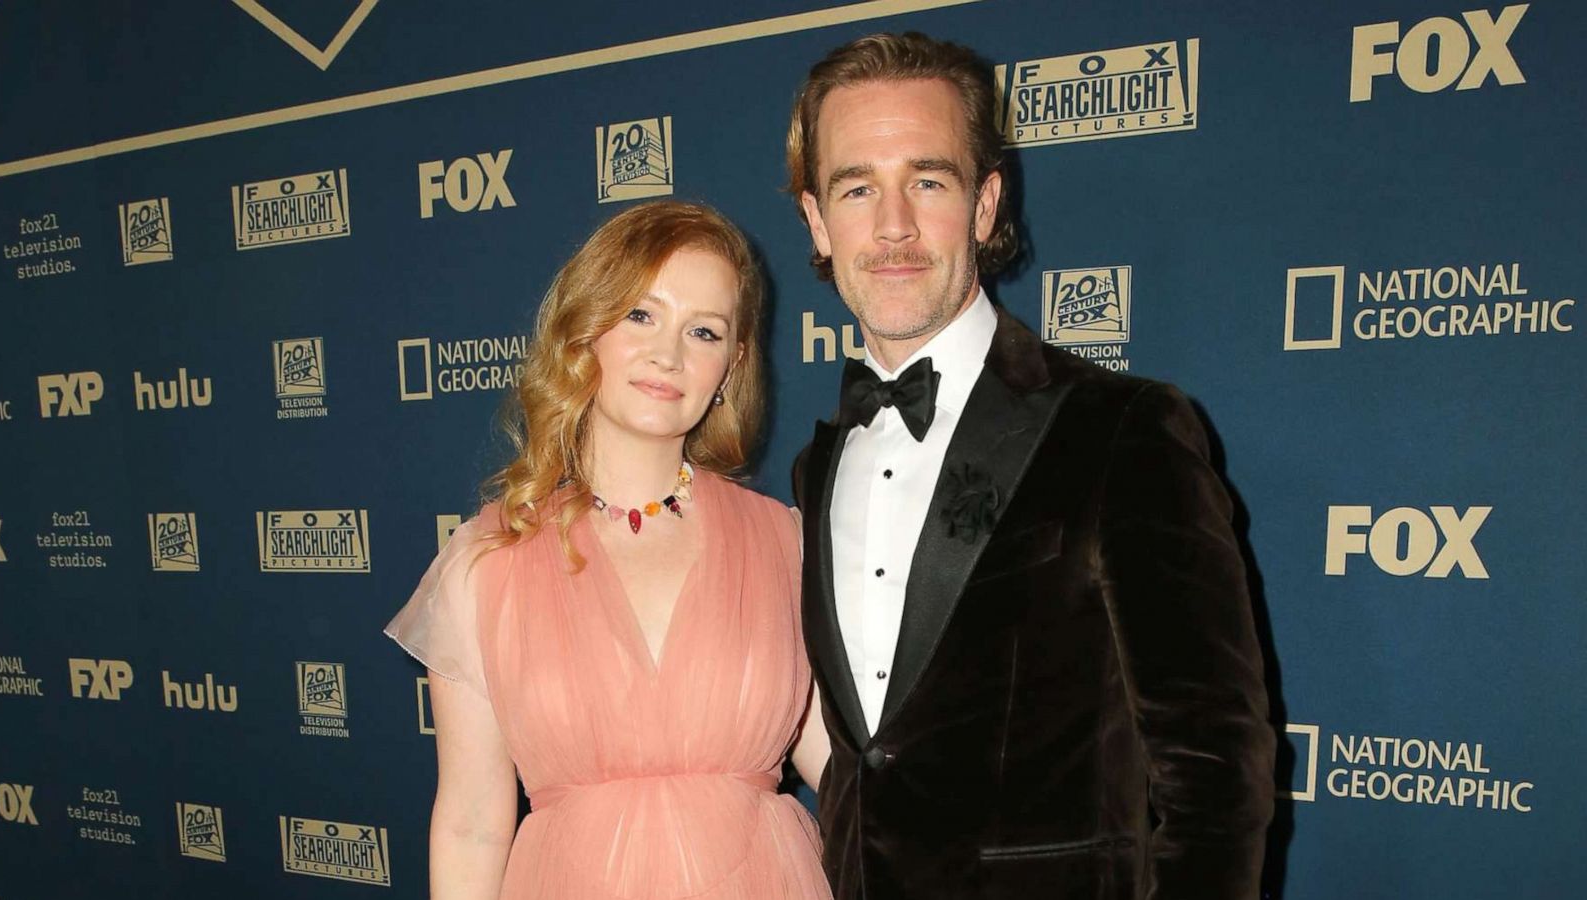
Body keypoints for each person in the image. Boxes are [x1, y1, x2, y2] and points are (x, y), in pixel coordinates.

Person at [785, 33, 1275, 899]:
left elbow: (1215, 771)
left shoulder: (1121, 430)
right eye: (857, 187)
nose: (893, 225)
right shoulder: (816, 468)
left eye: (928, 181)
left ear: (984, 204)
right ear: (818, 221)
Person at [385, 200, 833, 899]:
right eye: (641, 315)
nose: (669, 354)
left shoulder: (786, 543)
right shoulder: (487, 563)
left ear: (733, 363)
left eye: (705, 331)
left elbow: (842, 773)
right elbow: (473, 822)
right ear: (584, 329)